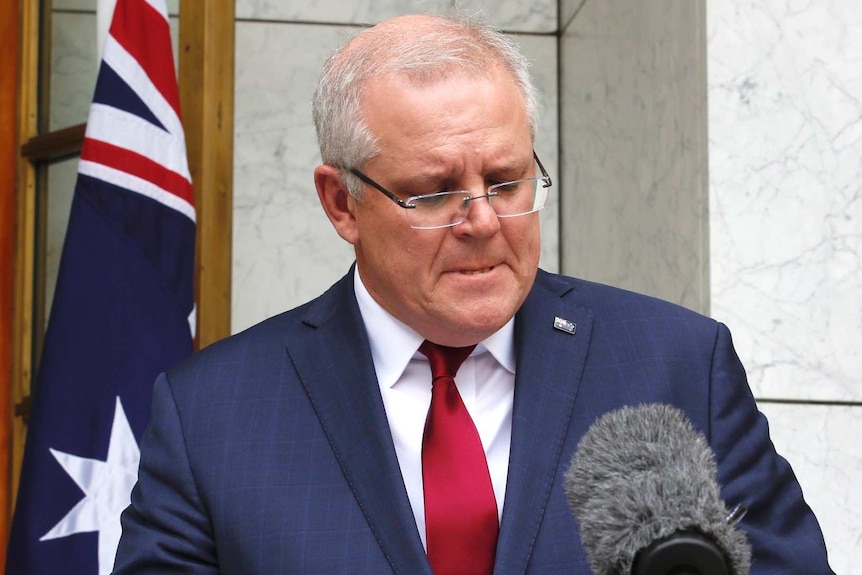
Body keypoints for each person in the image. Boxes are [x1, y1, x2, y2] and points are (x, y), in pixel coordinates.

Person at [113, 13, 833, 574]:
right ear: (341, 204)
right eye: (433, 192)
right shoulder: (214, 413)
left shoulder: (676, 365)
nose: (484, 221)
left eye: (506, 181)